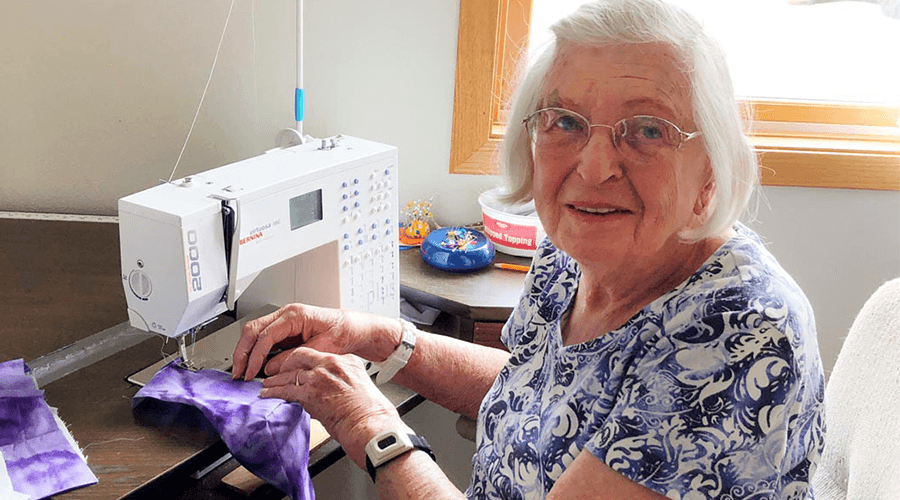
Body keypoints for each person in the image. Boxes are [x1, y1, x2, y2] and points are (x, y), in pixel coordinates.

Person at [231, 0, 826, 498]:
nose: (593, 170)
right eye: (564, 121)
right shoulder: (571, 253)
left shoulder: (741, 333)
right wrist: (384, 339)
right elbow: (536, 390)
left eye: (649, 130)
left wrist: (372, 428)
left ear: (712, 176)